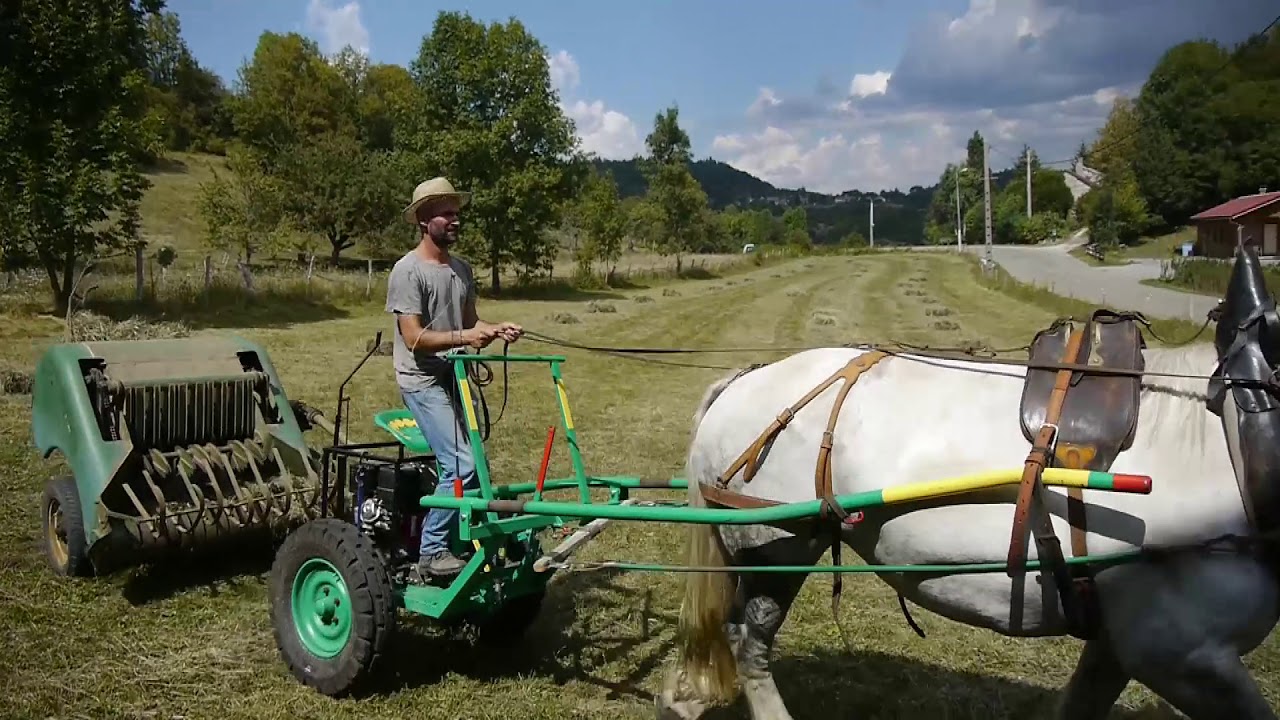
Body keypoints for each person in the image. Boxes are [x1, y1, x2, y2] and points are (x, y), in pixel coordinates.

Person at [384, 176, 523, 577]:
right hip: (422, 381)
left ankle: (467, 538)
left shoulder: (461, 270)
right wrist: (465, 336)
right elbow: (413, 337)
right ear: (425, 220)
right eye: (447, 213)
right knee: (460, 464)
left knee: (476, 463)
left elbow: (469, 322)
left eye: (457, 213)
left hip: (454, 375)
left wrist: (495, 329)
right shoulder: (407, 272)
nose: (455, 220)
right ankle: (431, 552)